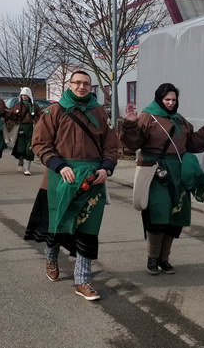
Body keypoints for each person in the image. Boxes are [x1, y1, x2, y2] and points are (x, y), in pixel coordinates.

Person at [23, 71, 119, 301]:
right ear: (69, 85)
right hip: (60, 177)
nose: (81, 86)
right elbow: (40, 143)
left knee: (87, 230)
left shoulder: (98, 112)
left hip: (91, 179)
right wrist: (58, 165)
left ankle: (82, 280)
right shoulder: (54, 111)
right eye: (77, 82)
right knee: (56, 227)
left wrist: (106, 167)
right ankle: (51, 259)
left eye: (86, 83)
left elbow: (110, 145)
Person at [120, 83, 204, 275]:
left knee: (175, 216)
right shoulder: (148, 116)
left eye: (173, 99)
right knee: (158, 214)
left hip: (178, 172)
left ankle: (164, 259)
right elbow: (132, 144)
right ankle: (152, 258)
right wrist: (130, 124)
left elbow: (191, 144)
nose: (171, 103)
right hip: (156, 171)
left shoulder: (179, 119)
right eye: (167, 99)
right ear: (159, 99)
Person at [8, 87, 42, 176]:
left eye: (25, 95)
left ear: (29, 96)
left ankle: (27, 169)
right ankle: (20, 161)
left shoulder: (34, 106)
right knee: (21, 147)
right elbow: (12, 116)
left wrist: (37, 120)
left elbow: (40, 116)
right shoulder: (18, 105)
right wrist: (13, 114)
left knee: (29, 148)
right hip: (21, 128)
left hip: (31, 128)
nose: (23, 97)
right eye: (22, 95)